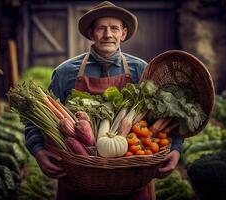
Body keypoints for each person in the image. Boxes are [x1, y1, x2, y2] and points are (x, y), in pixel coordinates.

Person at [24, 1, 183, 200]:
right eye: (101, 28)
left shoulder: (142, 70)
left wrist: (175, 149)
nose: (108, 34)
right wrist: (37, 150)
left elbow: (169, 117)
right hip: (78, 178)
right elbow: (35, 118)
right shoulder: (66, 72)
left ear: (123, 34)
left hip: (133, 177)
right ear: (91, 34)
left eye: (114, 28)